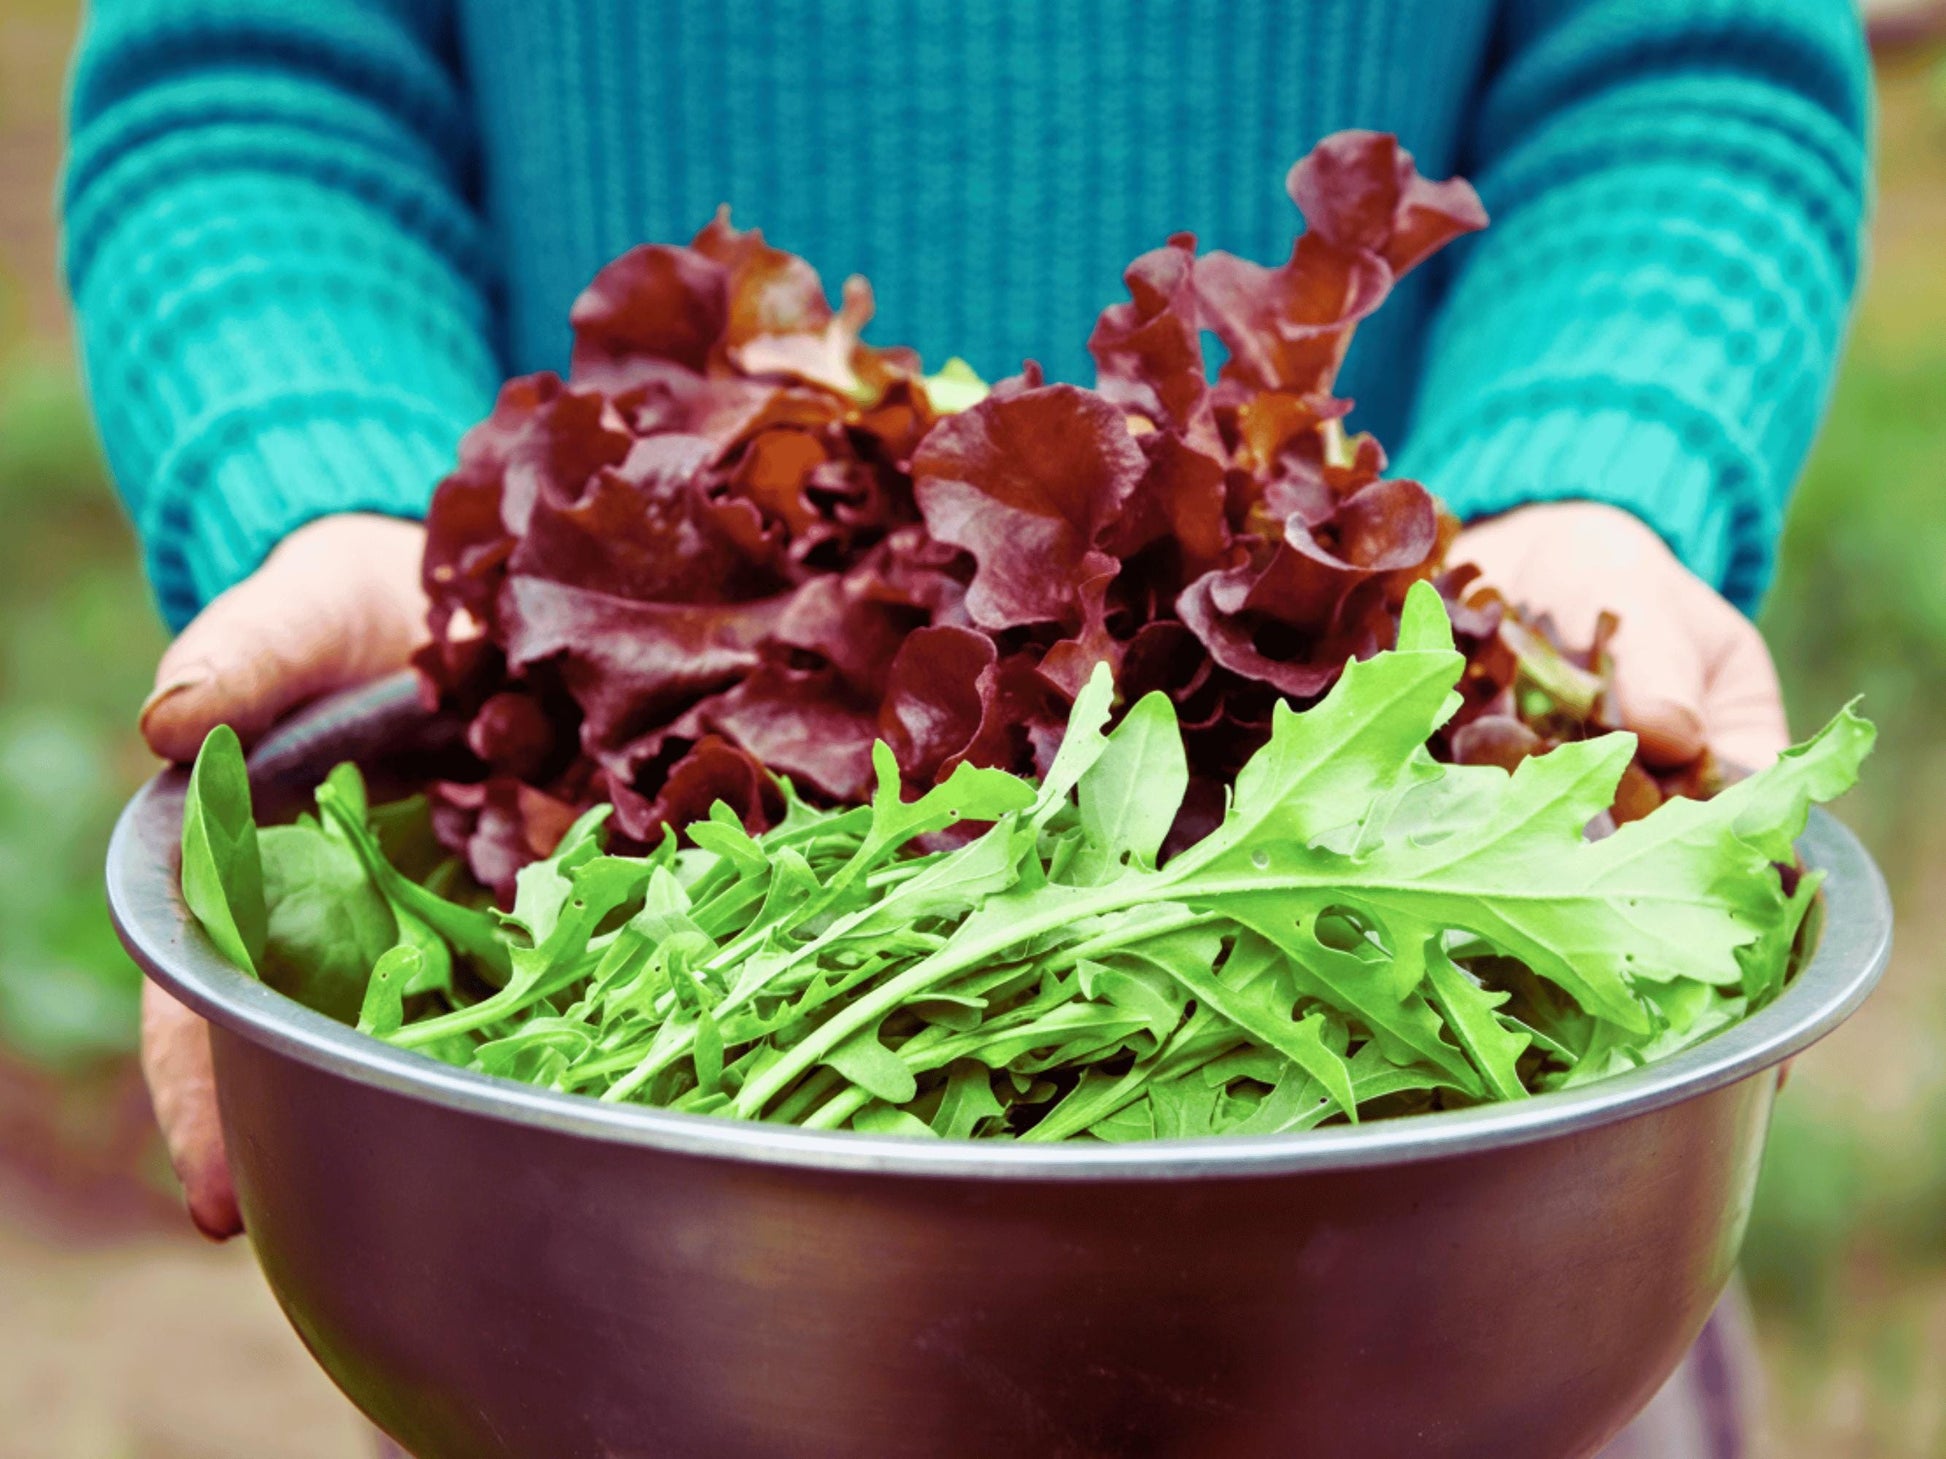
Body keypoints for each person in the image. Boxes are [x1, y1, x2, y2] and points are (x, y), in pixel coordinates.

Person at [63, 2, 1869, 1454]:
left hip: (1412, 1287)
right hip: (629, 1325)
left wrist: (1597, 495)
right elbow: (256, 82)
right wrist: (349, 507)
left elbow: (1683, 65)